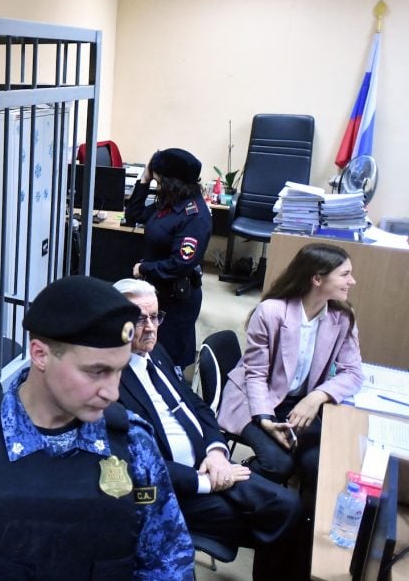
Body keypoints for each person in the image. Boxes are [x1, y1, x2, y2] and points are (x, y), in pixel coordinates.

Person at [0, 276, 194, 580]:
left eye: (119, 371)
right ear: (40, 354)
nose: (112, 393)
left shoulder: (134, 445)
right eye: (97, 372)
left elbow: (167, 564)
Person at [113, 278, 302, 579]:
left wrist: (216, 452)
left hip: (209, 463)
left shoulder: (155, 352)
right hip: (174, 488)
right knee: (280, 521)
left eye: (155, 316)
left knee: (291, 507)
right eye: (138, 318)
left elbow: (197, 407)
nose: (150, 327)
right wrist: (206, 483)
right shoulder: (110, 383)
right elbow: (133, 462)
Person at [218, 243, 363, 498]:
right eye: (344, 274)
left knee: (318, 461)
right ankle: (232, 486)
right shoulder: (272, 312)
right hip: (254, 399)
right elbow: (256, 375)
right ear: (317, 278)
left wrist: (316, 397)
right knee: (277, 464)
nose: (352, 281)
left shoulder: (342, 317)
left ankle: (303, 525)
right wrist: (264, 419)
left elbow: (352, 371)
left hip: (297, 402)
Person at [124, 148, 211, 373]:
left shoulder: (194, 215)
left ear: (172, 181)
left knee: (168, 361)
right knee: (147, 354)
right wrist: (143, 180)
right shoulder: (169, 203)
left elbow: (180, 264)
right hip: (156, 292)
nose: (156, 181)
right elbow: (134, 216)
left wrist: (144, 268)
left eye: (158, 178)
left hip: (176, 299)